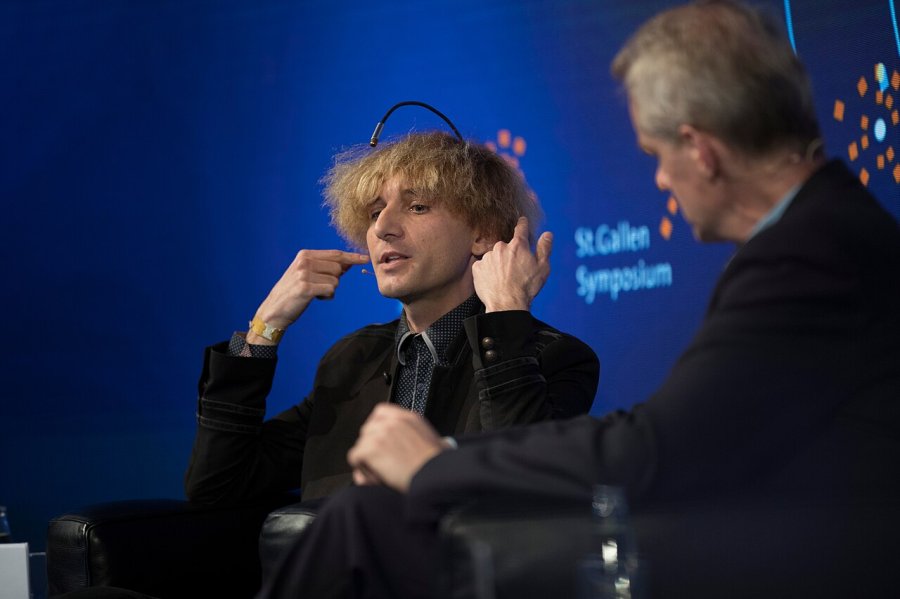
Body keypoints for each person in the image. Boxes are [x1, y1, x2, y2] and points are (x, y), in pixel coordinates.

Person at [257, 1, 900, 597]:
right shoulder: (825, 235)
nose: (660, 179)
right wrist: (259, 335)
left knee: (365, 520)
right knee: (366, 518)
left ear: (701, 151)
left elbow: (655, 449)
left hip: (812, 556)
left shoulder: (810, 253)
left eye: (655, 155)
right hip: (766, 530)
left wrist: (435, 462)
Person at [184, 131, 600, 504]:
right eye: (373, 213)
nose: (383, 227)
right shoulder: (351, 361)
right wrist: (264, 327)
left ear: (483, 235)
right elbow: (217, 486)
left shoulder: (550, 358)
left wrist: (507, 315)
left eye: (417, 207)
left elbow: (522, 495)